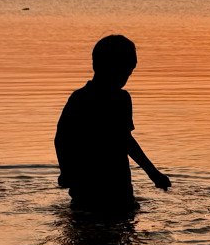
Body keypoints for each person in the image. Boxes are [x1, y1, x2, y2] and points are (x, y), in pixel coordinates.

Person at [55, 34, 171, 213]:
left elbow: (61, 139)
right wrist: (153, 173)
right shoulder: (118, 99)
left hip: (94, 187)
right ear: (106, 68)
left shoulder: (80, 98)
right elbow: (126, 141)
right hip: (111, 185)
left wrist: (66, 172)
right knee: (121, 230)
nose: (126, 78)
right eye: (125, 72)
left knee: (85, 230)